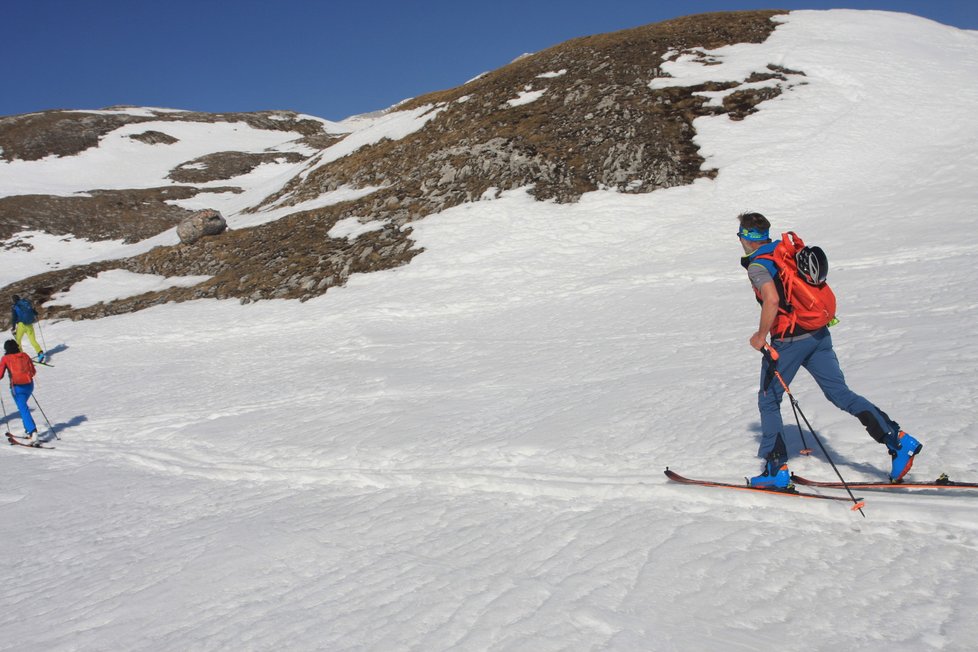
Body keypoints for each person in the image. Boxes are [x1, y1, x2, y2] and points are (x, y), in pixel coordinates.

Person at [737, 212, 922, 487]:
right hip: (819, 334)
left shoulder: (758, 265)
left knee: (768, 399)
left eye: (740, 234)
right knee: (839, 393)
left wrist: (761, 335)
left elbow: (772, 299)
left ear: (746, 237)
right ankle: (897, 440)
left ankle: (776, 469)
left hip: (789, 341)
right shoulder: (782, 251)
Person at [0, 339, 39, 444]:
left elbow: (0, 375)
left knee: (23, 409)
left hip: (17, 388)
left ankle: (33, 431)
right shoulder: (24, 355)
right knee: (23, 407)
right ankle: (27, 430)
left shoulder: (5, 358)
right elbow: (33, 371)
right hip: (29, 385)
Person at [11, 294, 44, 363]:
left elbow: (14, 318)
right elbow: (35, 313)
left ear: (13, 300)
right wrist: (34, 312)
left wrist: (13, 327)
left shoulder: (15, 306)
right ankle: (40, 353)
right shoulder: (26, 303)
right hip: (30, 325)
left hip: (21, 325)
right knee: (33, 340)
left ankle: (21, 356)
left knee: (18, 340)